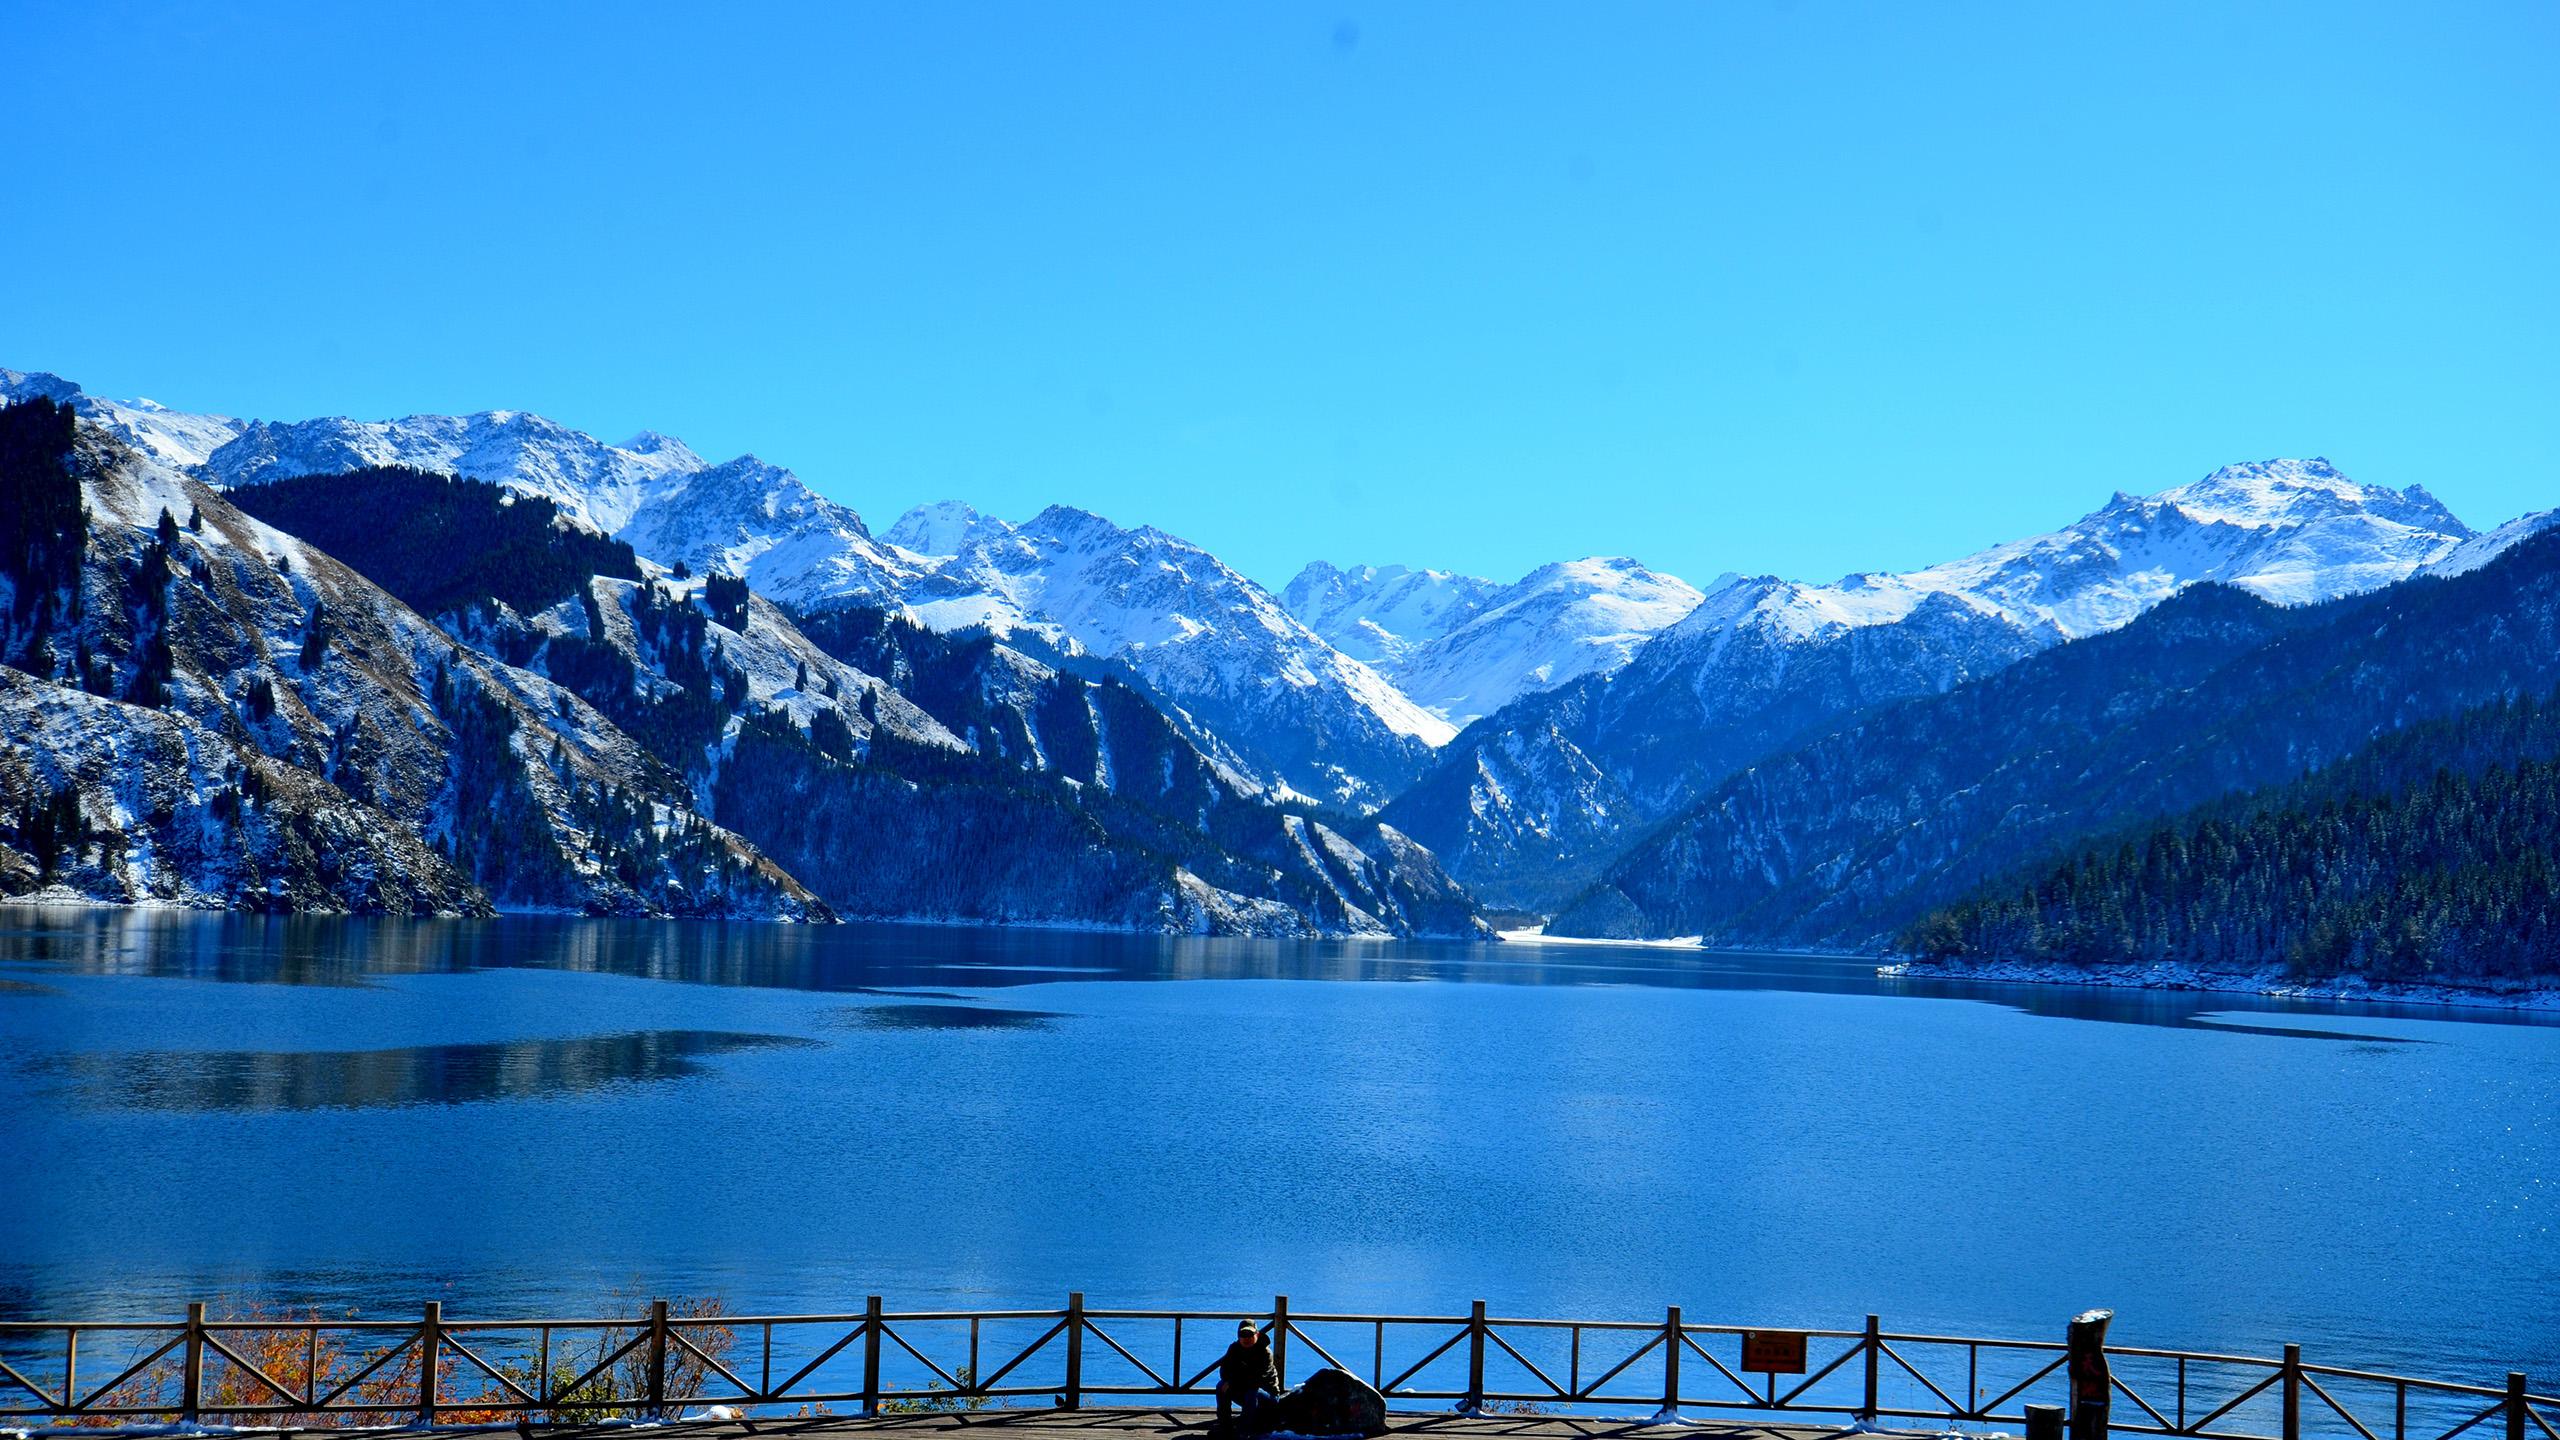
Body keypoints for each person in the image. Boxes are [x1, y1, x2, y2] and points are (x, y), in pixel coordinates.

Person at [1217, 1320, 1279, 1426]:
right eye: (1243, 1334)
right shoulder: (1234, 1348)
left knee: (1252, 1392)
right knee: (1221, 1386)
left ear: (1257, 1334)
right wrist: (1229, 1380)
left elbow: (1259, 1379)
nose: (1246, 1338)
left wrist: (1233, 1382)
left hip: (1267, 1396)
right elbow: (1224, 1370)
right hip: (1243, 1389)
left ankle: (1245, 1430)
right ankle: (1225, 1425)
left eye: (1250, 1334)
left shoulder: (1265, 1352)